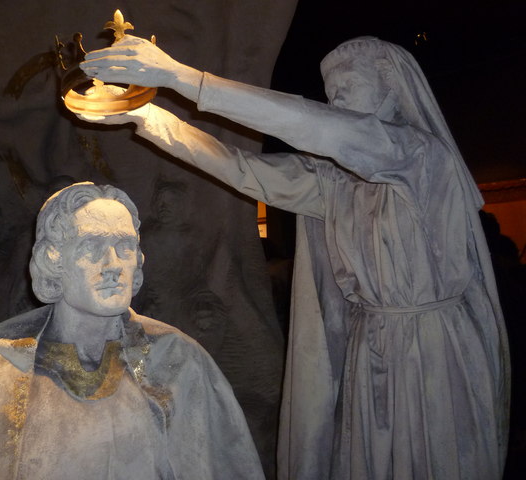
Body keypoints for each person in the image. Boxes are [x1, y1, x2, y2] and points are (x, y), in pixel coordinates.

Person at [77, 36, 511, 479]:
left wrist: (179, 77)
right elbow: (242, 170)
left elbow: (316, 126)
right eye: (331, 89)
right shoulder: (335, 180)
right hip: (370, 343)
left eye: (350, 82)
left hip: (432, 346)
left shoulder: (418, 155)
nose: (336, 96)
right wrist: (150, 117)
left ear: (391, 89)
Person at [0, 182, 265, 479]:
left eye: (124, 246)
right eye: (91, 247)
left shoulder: (180, 361)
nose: (112, 265)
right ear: (53, 259)